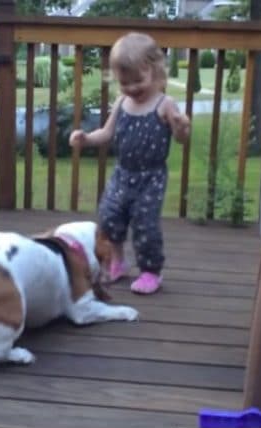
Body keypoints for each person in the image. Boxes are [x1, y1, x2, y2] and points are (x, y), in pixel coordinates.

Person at [69, 32, 191, 294]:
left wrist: (182, 127)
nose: (132, 88)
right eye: (125, 83)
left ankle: (150, 271)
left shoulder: (164, 103)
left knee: (145, 224)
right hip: (123, 174)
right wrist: (86, 138)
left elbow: (181, 139)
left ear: (156, 71)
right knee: (109, 216)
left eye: (138, 80)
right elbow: (107, 133)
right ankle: (117, 262)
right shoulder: (122, 103)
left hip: (150, 177)